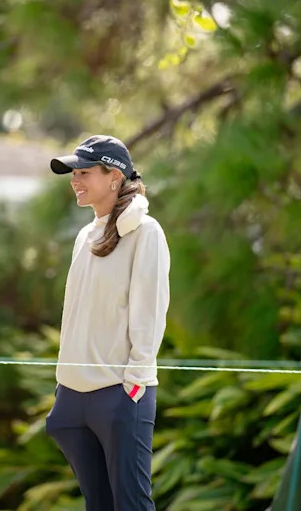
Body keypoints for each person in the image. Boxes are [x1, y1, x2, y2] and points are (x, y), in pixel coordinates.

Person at [45, 135, 170, 511]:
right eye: (73, 173)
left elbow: (149, 312)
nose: (75, 180)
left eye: (83, 172)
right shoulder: (86, 235)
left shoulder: (147, 233)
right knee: (98, 505)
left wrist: (133, 384)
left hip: (119, 394)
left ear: (114, 177)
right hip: (73, 395)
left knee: (131, 504)